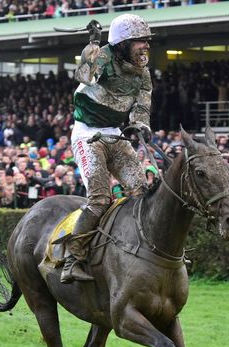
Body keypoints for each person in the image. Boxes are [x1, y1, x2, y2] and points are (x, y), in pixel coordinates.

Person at [62, 14, 154, 283]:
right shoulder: (103, 55)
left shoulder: (143, 71)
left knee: (143, 192)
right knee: (100, 199)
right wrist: (91, 46)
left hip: (116, 135)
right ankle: (72, 258)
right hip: (87, 135)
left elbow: (142, 103)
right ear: (123, 43)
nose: (145, 45)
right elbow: (84, 76)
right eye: (139, 41)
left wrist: (139, 124)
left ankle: (146, 251)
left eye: (147, 40)